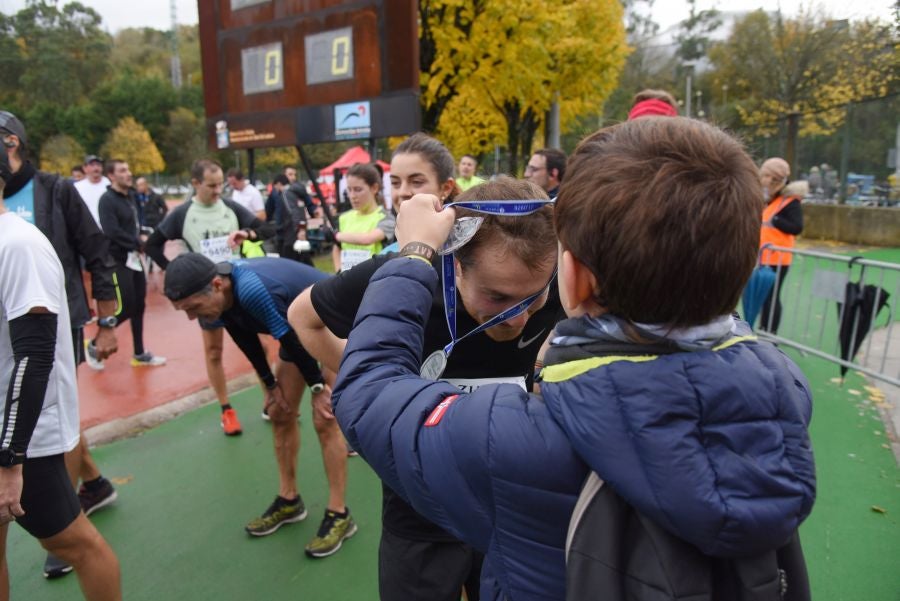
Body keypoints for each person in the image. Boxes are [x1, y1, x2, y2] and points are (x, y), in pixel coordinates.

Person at [331, 117, 817, 600]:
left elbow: (368, 389)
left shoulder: (512, 438)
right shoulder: (785, 394)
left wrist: (415, 252)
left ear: (574, 277)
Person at [290, 170, 562, 599]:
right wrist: (383, 380)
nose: (516, 318)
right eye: (496, 297)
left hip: (510, 508)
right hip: (418, 513)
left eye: (533, 297)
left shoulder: (562, 279)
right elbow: (302, 316)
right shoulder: (408, 275)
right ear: (454, 263)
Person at [164, 254, 355, 557]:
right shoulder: (220, 297)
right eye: (184, 311)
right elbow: (245, 336)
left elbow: (290, 338)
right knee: (280, 412)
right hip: (298, 329)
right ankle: (289, 499)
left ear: (216, 285)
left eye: (193, 308)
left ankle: (339, 514)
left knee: (324, 417)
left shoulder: (251, 290)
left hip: (333, 323)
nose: (192, 318)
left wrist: (318, 387)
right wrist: (269, 384)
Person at [1, 110, 119, 579]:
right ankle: (93, 482)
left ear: (15, 144)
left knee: (46, 404)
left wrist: (107, 320)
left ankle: (65, 511)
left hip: (53, 316)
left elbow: (95, 247)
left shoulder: (52, 191)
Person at [145, 159, 274, 436]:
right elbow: (152, 244)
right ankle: (226, 410)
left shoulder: (229, 207)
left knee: (260, 347)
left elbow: (267, 229)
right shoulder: (182, 213)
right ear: (195, 184)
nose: (217, 191)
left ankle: (270, 399)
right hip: (206, 297)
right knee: (214, 352)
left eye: (220, 185)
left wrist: (247, 234)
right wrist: (177, 272)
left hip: (236, 291)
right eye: (211, 185)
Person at [95, 160, 165, 367]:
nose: (129, 173)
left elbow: (134, 225)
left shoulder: (132, 197)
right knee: (126, 306)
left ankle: (140, 352)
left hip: (134, 258)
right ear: (111, 176)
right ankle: (98, 342)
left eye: (128, 169)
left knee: (140, 306)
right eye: (123, 170)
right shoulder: (107, 200)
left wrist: (142, 235)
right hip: (116, 260)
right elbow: (111, 231)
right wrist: (138, 243)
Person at [379, 133, 458, 256]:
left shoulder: (468, 255)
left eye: (416, 182)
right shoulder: (384, 256)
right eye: (395, 183)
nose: (402, 192)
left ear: (446, 188)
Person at [758, 157, 803, 334]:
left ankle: (770, 332)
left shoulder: (790, 202)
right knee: (764, 296)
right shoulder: (772, 200)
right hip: (764, 257)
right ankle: (763, 328)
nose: (764, 180)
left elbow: (797, 227)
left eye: (768, 176)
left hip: (778, 259)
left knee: (771, 297)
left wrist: (776, 220)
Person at [330, 163, 395, 272]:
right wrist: (338, 272)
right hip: (346, 281)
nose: (352, 196)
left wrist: (336, 235)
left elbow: (367, 239)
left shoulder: (386, 218)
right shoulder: (344, 218)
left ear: (374, 188)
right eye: (349, 190)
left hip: (373, 281)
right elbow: (337, 248)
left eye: (358, 189)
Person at [73, 155, 110, 228]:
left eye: (98, 165)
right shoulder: (77, 187)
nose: (96, 168)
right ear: (85, 168)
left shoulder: (110, 184)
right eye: (92, 165)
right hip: (87, 230)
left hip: (107, 229)